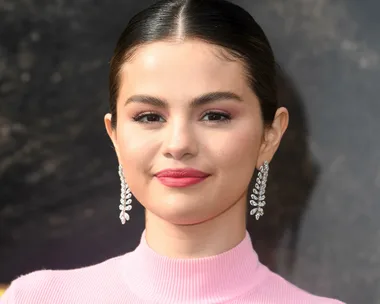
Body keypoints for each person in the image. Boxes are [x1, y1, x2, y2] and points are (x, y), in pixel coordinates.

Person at [1, 0, 346, 303]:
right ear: (115, 136)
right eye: (149, 116)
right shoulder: (37, 298)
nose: (179, 144)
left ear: (270, 135)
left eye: (215, 115)